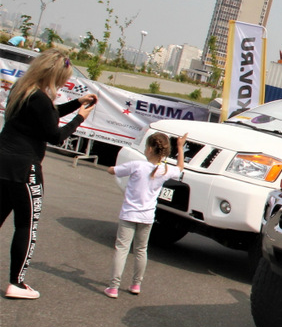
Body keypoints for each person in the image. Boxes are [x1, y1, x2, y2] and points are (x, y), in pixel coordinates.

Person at [0, 51, 96, 299]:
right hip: (25, 168)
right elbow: (54, 135)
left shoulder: (22, 89)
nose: (63, 83)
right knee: (26, 225)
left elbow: (46, 117)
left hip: (3, 161)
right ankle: (17, 283)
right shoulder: (41, 99)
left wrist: (77, 103)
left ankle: (17, 282)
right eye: (63, 79)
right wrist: (79, 118)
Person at [104, 132, 186, 298]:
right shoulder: (165, 170)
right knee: (141, 250)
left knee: (122, 248)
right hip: (147, 217)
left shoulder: (136, 165)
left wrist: (110, 169)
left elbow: (113, 171)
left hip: (129, 214)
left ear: (149, 149)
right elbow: (180, 168)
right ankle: (136, 284)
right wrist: (180, 146)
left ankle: (114, 287)